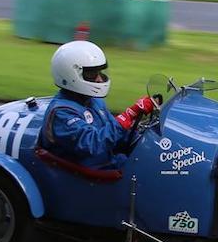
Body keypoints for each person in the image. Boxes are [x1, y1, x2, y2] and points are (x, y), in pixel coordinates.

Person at [41, 41, 155, 169]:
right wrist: (128, 116)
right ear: (70, 74)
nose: (100, 79)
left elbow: (118, 136)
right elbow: (93, 144)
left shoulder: (94, 101)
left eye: (99, 73)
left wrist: (145, 141)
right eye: (92, 74)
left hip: (111, 163)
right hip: (92, 174)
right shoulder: (62, 113)